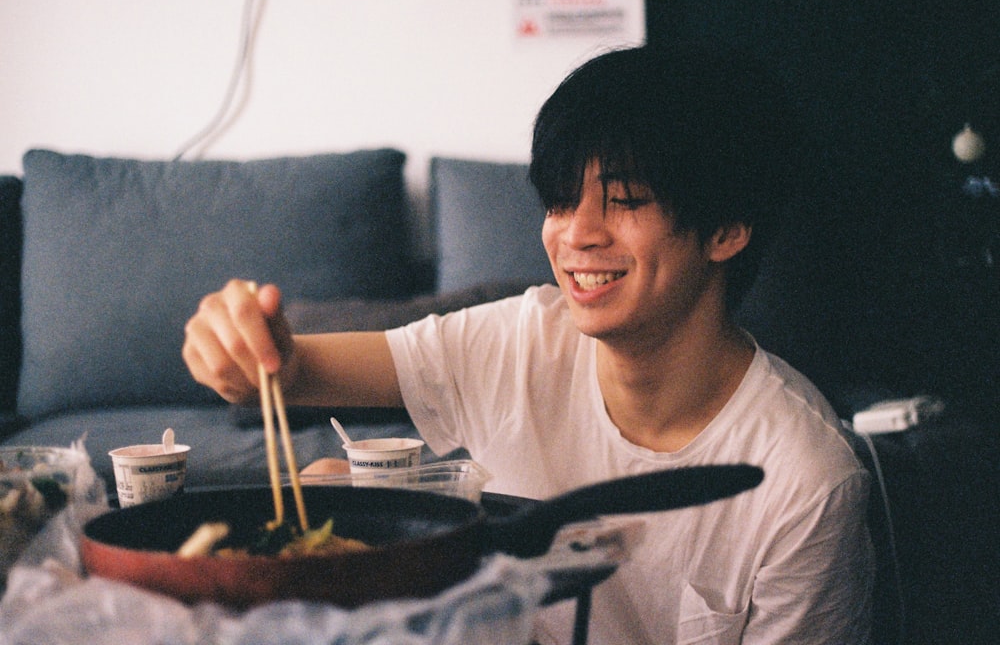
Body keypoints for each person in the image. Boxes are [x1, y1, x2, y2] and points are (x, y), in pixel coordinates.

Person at [183, 44, 874, 644]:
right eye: (560, 201)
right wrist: (243, 350)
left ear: (727, 229)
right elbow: (295, 371)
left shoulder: (805, 482)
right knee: (325, 486)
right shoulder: (517, 339)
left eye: (624, 200)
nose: (575, 234)